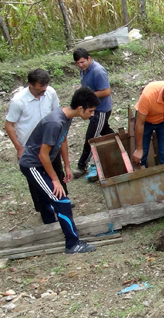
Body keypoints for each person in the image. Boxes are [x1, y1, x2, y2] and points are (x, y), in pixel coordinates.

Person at [19, 87, 100, 254]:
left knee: (46, 193)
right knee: (61, 199)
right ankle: (73, 243)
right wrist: (55, 179)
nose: (92, 115)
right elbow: (43, 155)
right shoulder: (55, 122)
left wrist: (67, 166)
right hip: (33, 164)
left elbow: (62, 140)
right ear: (80, 108)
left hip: (40, 162)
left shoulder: (65, 117)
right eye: (91, 111)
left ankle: (49, 223)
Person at [4, 69, 72, 214]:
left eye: (46, 86)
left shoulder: (50, 93)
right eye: (40, 87)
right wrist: (19, 148)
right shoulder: (18, 101)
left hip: (50, 141)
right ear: (30, 84)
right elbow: (9, 125)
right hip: (31, 147)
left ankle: (62, 202)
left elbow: (57, 113)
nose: (44, 90)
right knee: (36, 179)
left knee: (56, 172)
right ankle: (43, 209)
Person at [72, 48, 115, 179]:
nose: (80, 65)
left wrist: (87, 95)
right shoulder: (84, 70)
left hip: (100, 110)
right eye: (78, 63)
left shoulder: (98, 71)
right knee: (106, 133)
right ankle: (122, 146)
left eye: (82, 62)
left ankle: (81, 166)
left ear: (89, 58)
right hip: (93, 108)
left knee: (91, 138)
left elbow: (106, 91)